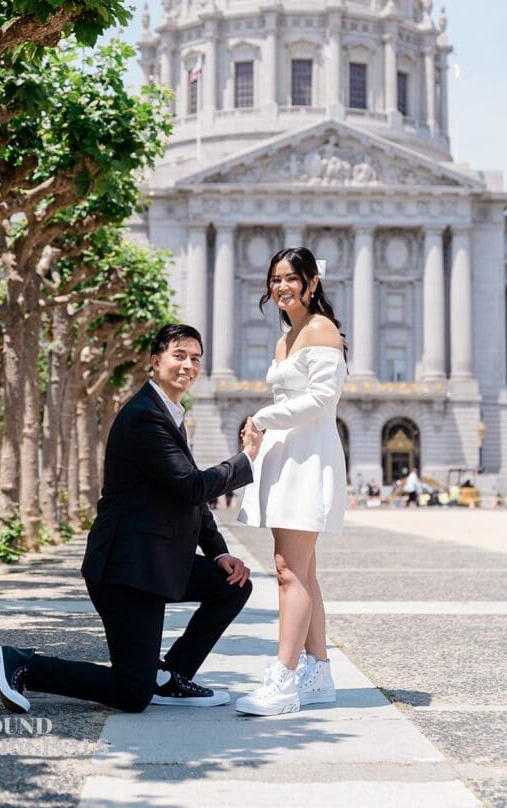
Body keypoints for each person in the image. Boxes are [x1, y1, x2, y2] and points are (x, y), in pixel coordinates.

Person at [0, 323, 262, 714]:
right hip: (126, 570)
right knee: (131, 694)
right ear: (156, 362)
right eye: (179, 356)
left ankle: (168, 677)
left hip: (155, 562)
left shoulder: (168, 413)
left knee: (232, 585)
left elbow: (188, 502)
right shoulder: (144, 418)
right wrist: (247, 459)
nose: (189, 365)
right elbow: (193, 487)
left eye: (196, 358)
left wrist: (219, 553)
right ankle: (25, 665)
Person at [236, 248, 348, 716]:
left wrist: (261, 415)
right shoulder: (286, 336)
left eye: (290, 279)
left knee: (287, 571)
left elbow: (323, 397)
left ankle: (283, 680)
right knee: (303, 572)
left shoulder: (321, 330)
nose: (281, 287)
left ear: (312, 283)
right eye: (275, 279)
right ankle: (318, 672)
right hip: (288, 456)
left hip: (308, 458)